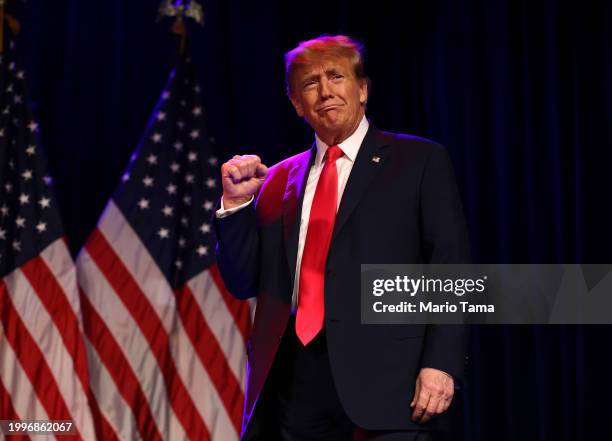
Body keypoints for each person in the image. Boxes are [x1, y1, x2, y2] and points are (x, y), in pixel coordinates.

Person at [215, 35, 470, 441]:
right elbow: (242, 281)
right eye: (310, 83)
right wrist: (235, 206)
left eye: (336, 76)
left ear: (363, 89)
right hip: (293, 389)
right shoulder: (278, 178)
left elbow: (450, 268)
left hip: (390, 387)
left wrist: (440, 364)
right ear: (297, 103)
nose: (325, 90)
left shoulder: (418, 161)